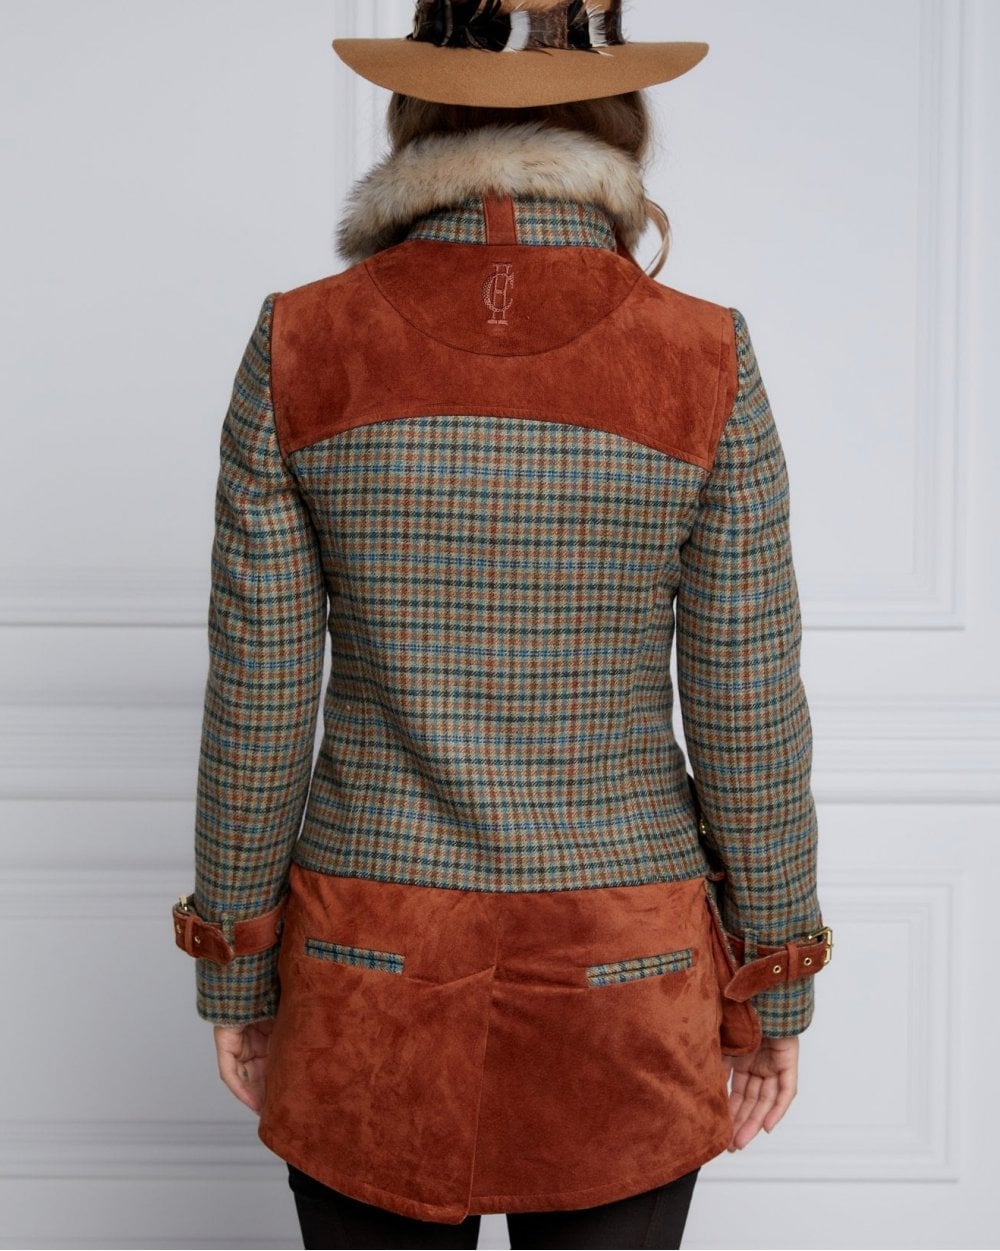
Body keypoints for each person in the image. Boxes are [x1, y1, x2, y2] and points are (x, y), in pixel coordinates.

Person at [170, 2, 834, 1247]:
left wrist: (236, 971)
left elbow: (257, 696)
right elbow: (747, 708)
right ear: (618, 118)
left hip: (366, 960)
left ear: (413, 110)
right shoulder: (701, 356)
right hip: (625, 965)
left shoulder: (305, 342)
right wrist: (772, 986)